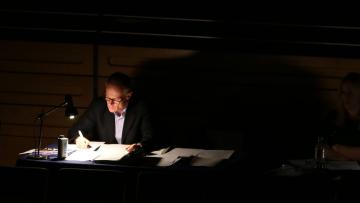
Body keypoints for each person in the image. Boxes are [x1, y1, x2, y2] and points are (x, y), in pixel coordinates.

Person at [68, 72, 153, 152]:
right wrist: (78, 138)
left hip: (132, 161)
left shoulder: (141, 108)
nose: (110, 103)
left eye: (116, 100)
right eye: (108, 98)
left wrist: (139, 146)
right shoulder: (98, 106)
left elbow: (150, 138)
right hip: (104, 161)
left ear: (128, 96)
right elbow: (75, 130)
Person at [325, 72, 360, 160]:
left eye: (350, 93)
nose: (345, 97)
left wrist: (339, 149)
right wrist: (344, 157)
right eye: (343, 92)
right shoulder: (333, 117)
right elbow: (322, 148)